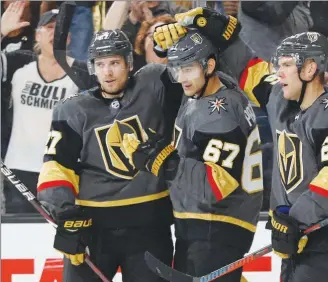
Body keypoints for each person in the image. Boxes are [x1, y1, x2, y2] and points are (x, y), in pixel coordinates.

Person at [39, 3, 244, 281]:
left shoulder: (154, 82)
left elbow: (198, 75)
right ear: (92, 68)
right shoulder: (72, 109)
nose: (108, 72)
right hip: (92, 229)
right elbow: (56, 167)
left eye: (114, 63)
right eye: (101, 64)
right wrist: (64, 216)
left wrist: (173, 44)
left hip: (151, 227)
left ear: (129, 63)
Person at [121, 28, 263, 281]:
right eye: (178, 70)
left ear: (209, 66)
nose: (182, 78)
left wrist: (160, 161)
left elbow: (215, 187)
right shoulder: (213, 89)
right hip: (209, 226)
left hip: (216, 226)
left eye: (188, 69)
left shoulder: (218, 112)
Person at [249, 32, 328, 282]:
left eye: (286, 65)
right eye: (279, 65)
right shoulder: (281, 101)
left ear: (309, 68)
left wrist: (293, 220)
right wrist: (216, 32)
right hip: (300, 234)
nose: (279, 72)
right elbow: (246, 71)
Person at [0, 3, 79, 213]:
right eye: (50, 28)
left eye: (61, 28)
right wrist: (1, 33)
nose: (56, 32)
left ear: (69, 38)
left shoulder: (80, 71)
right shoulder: (18, 64)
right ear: (37, 35)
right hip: (18, 168)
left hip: (59, 170)